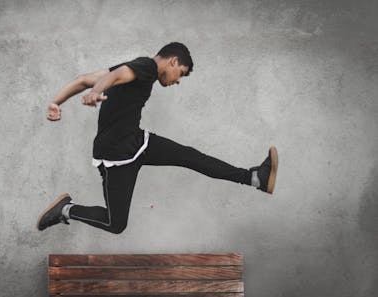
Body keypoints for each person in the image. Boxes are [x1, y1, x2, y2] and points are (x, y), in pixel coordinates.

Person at [37, 42, 278, 234]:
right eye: (180, 73)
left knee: (190, 157)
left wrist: (55, 102)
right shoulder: (146, 67)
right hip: (118, 154)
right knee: (115, 224)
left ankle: (255, 178)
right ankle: (66, 210)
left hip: (137, 142)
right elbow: (113, 75)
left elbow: (82, 79)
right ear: (173, 61)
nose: (177, 80)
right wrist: (96, 92)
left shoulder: (135, 70)